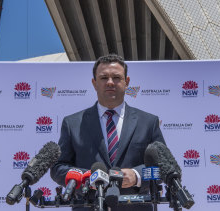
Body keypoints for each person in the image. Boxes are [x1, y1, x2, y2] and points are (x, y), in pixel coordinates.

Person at [50, 54, 166, 211]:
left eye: (116, 77)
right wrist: (88, 177)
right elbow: (58, 168)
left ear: (127, 82)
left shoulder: (148, 122)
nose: (110, 82)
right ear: (94, 83)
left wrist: (137, 176)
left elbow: (163, 168)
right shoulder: (72, 123)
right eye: (104, 78)